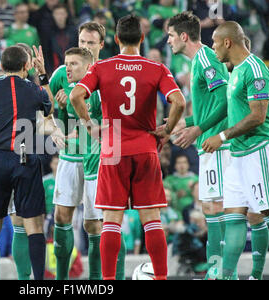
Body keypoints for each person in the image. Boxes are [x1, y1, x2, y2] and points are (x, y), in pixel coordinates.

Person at [70, 14, 186, 280]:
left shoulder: (102, 68)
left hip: (113, 150)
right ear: (142, 38)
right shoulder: (156, 68)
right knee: (152, 219)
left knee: (111, 221)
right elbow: (178, 102)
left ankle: (109, 281)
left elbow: (77, 95)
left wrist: (89, 125)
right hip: (146, 147)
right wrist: (167, 131)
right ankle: (160, 277)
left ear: (116, 39)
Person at [166, 13, 269, 280]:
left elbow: (225, 103)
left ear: (183, 36)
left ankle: (224, 274)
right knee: (224, 210)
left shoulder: (205, 59)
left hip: (219, 145)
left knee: (229, 210)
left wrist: (199, 129)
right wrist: (184, 122)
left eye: (170, 36)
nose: (167, 41)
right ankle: (223, 273)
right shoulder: (199, 61)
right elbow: (211, 106)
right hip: (212, 144)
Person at [201, 21, 269, 280]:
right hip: (239, 154)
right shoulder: (236, 70)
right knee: (233, 215)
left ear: (228, 42)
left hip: (259, 150)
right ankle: (226, 276)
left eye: (215, 43)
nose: (213, 47)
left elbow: (258, 116)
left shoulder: (255, 68)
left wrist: (222, 136)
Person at [0, 45, 54, 280]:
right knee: (33, 226)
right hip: (26, 159)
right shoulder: (34, 89)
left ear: (2, 66)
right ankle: (37, 283)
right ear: (27, 66)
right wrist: (43, 75)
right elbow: (51, 108)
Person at [50, 21, 126, 280]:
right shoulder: (64, 72)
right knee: (62, 215)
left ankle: (100, 280)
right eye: (82, 41)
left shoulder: (110, 76)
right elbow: (46, 112)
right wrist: (57, 115)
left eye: (91, 43)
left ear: (102, 45)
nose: (85, 46)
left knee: (97, 223)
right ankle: (60, 279)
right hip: (71, 155)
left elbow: (114, 122)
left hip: (99, 156)